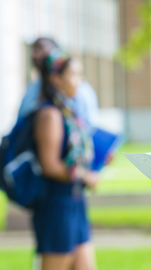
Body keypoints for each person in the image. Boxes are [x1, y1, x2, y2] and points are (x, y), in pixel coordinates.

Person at [31, 48, 99, 270]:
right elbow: (49, 165)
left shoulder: (69, 111)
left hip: (75, 202)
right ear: (55, 78)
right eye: (75, 74)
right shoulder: (50, 114)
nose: (81, 80)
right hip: (57, 205)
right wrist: (84, 176)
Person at [19, 37, 100, 126]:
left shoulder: (79, 92)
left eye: (41, 48)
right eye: (34, 49)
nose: (36, 55)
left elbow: (91, 126)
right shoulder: (50, 113)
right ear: (55, 78)